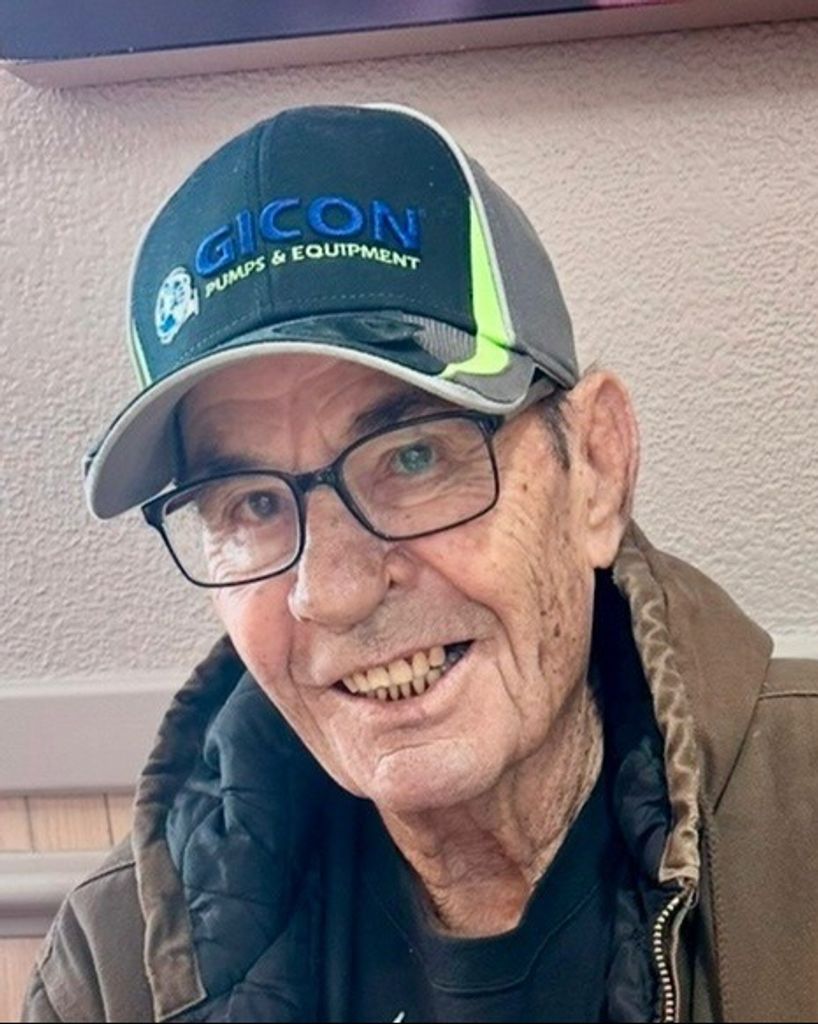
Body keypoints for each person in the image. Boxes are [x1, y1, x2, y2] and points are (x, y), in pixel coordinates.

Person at [22, 104, 818, 1024]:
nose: (334, 591)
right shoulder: (116, 965)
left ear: (596, 470)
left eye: (413, 457)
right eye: (251, 504)